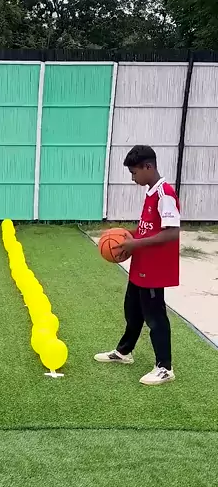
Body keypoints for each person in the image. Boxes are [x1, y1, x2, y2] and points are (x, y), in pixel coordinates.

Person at [95, 145, 180, 386]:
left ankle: (164, 367)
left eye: (134, 173)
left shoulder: (165, 194)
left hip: (154, 267)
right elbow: (148, 229)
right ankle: (124, 352)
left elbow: (172, 233)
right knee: (132, 310)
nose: (133, 178)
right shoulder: (151, 192)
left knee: (155, 317)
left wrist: (135, 244)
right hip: (141, 265)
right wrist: (125, 235)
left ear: (148, 167)